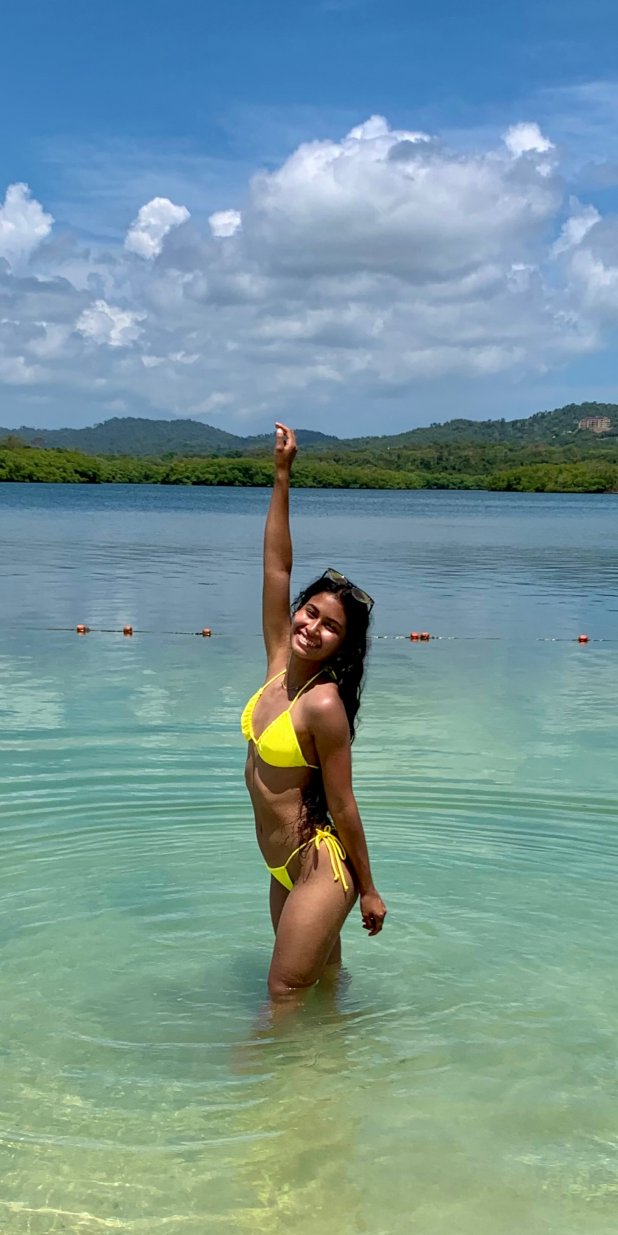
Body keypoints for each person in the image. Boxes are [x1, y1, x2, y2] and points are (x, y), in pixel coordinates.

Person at [240, 424, 386, 1004]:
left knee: (283, 993)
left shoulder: (323, 703)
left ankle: (257, 1087)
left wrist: (369, 890)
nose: (311, 627)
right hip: (284, 867)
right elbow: (276, 569)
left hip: (318, 865)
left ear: (343, 646)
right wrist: (282, 475)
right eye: (310, 612)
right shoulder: (280, 660)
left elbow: (345, 805)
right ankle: (335, 1080)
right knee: (322, 990)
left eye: (330, 626)